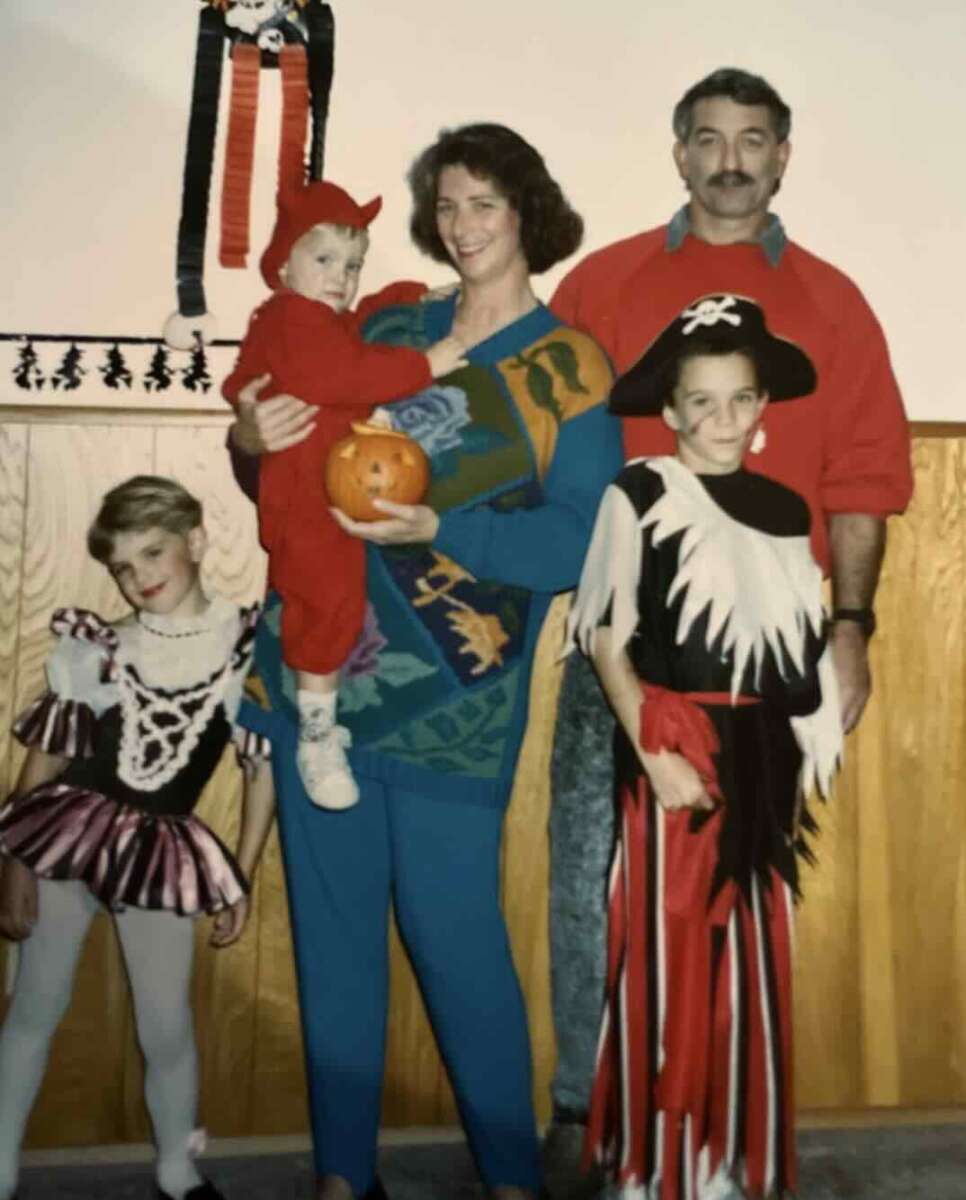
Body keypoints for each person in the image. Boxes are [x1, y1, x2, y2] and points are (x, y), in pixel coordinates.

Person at [227, 123, 624, 1200]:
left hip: (463, 690)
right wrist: (250, 439)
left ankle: (509, 1176)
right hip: (322, 671)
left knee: (456, 943)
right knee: (334, 937)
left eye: (486, 202)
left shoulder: (572, 367)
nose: (464, 225)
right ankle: (342, 1178)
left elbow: (574, 542)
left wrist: (440, 532)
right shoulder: (388, 316)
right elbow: (283, 432)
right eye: (448, 204)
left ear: (527, 212)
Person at [542, 67, 913, 1193]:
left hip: (766, 656)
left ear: (784, 155)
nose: (732, 159)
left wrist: (849, 628)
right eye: (710, 138)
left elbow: (860, 477)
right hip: (624, 641)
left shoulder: (834, 301)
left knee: (737, 884)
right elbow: (529, 426)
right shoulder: (607, 281)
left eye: (755, 139)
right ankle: (588, 1112)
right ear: (680, 153)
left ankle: (720, 1121)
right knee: (587, 876)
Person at [567, 294, 841, 1198]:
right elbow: (607, 636)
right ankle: (654, 1163)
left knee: (750, 959)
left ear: (764, 407)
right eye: (701, 401)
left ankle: (724, 1157)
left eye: (740, 399)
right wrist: (653, 751)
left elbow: (798, 651)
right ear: (672, 409)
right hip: (676, 740)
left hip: (761, 757)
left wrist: (811, 732)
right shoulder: (641, 491)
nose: (721, 419)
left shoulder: (786, 507)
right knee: (664, 947)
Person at [0, 475, 276, 1200]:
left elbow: (260, 774)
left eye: (153, 554)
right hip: (64, 837)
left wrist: (240, 874)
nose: (139, 577)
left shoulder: (246, 647)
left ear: (195, 541)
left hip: (160, 856)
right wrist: (14, 861)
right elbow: (47, 758)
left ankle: (176, 1171)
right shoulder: (98, 646)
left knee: (166, 1023)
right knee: (33, 1008)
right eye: (124, 566)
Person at [222, 180, 466, 811]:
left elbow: (348, 333)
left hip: (320, 484)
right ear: (282, 266)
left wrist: (402, 294)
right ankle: (317, 730)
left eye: (352, 266)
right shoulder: (288, 318)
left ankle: (316, 714)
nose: (341, 276)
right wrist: (426, 363)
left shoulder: (306, 319)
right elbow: (338, 373)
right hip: (304, 495)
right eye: (324, 260)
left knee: (334, 598)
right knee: (329, 601)